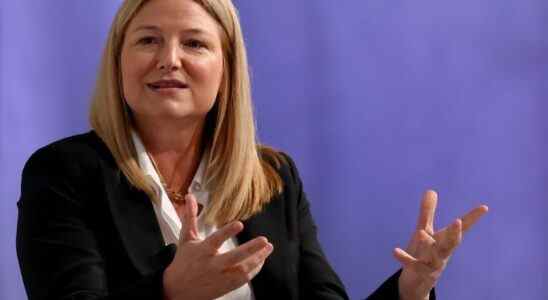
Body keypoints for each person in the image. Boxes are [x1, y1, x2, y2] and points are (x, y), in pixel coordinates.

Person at [16, 0, 488, 299]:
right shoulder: (62, 172)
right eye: (148, 40)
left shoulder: (273, 175)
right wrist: (171, 292)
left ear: (226, 71)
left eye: (195, 43)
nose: (169, 59)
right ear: (119, 63)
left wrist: (412, 287)